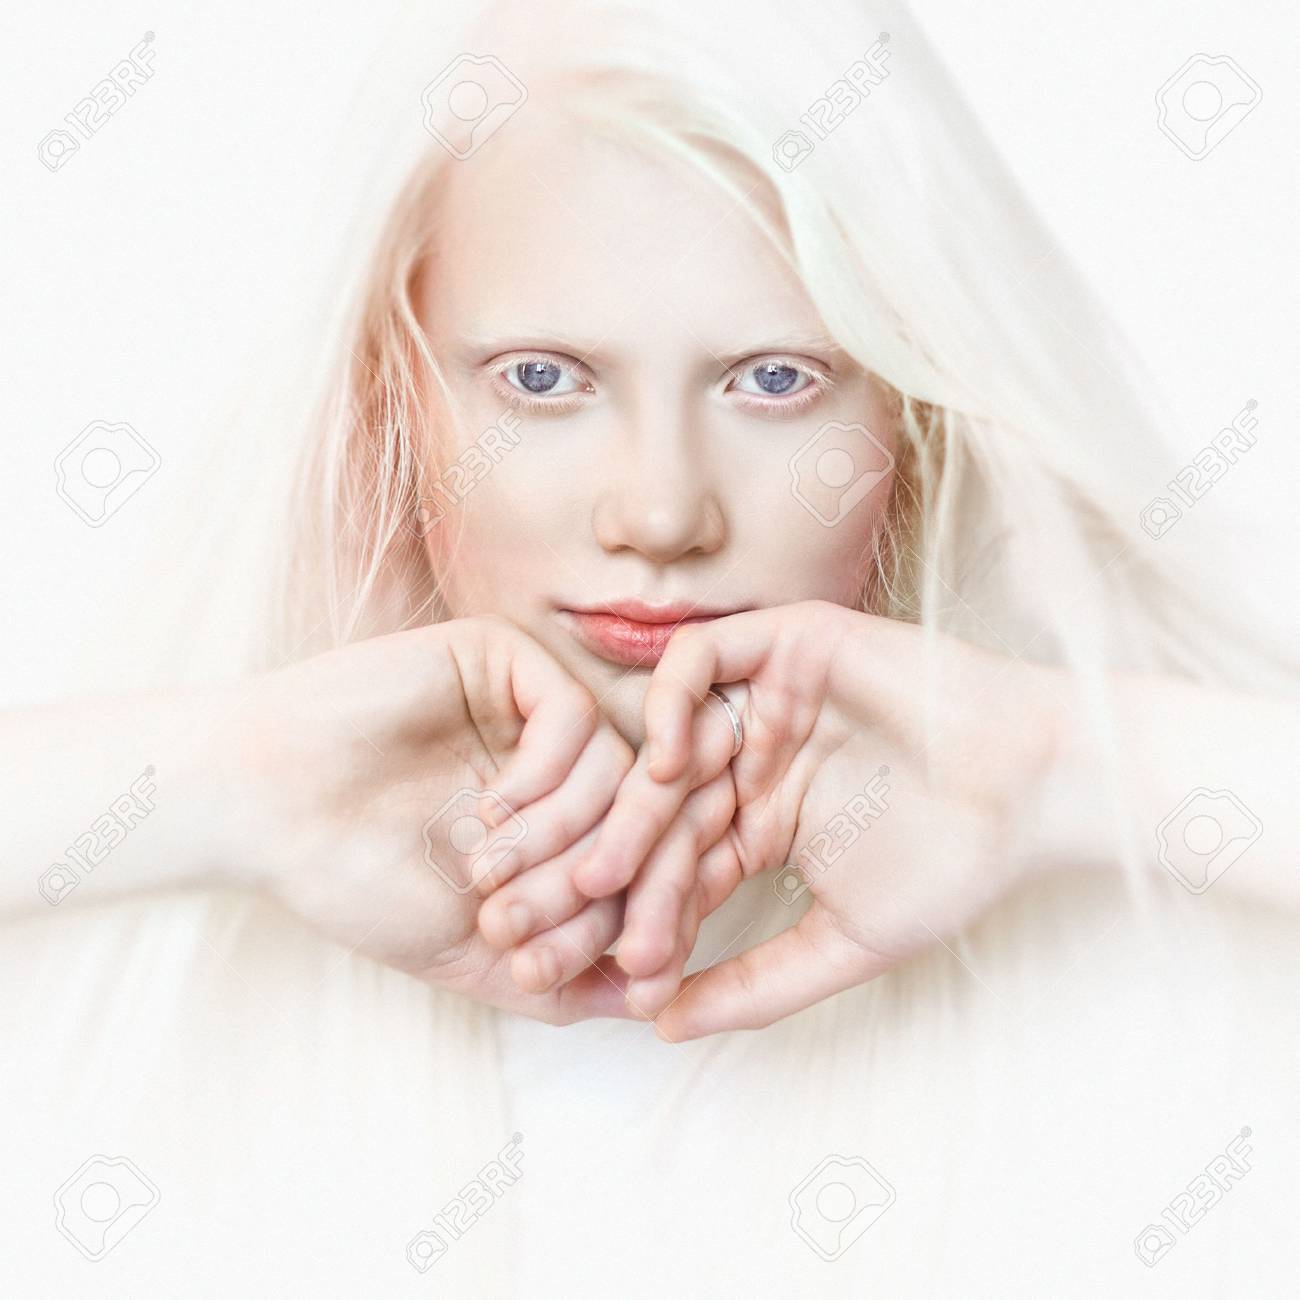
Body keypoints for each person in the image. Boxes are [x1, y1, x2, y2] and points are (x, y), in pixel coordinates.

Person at [6, 0, 1297, 1294]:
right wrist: (233, 785)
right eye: (543, 379)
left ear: (914, 422)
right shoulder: (114, 1010)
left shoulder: (1188, 1014)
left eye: (775, 379)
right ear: (389, 391)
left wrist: (1069, 766)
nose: (663, 513)